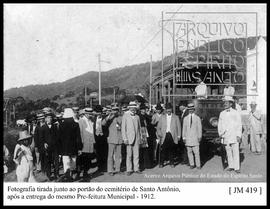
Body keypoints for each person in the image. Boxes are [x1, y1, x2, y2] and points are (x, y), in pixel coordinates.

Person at [218, 96, 242, 173]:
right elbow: (220, 124)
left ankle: (237, 168)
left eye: (226, 102)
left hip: (234, 135)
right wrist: (221, 133)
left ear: (231, 104)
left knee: (235, 151)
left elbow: (239, 124)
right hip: (226, 136)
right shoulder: (222, 113)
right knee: (228, 151)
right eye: (224, 102)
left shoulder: (236, 113)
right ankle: (231, 166)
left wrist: (238, 135)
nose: (225, 104)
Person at [59, 108, 82, 181]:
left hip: (64, 147)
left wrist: (59, 149)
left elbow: (59, 138)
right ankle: (72, 175)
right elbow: (78, 137)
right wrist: (79, 148)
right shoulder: (76, 124)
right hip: (74, 147)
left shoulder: (61, 125)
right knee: (73, 162)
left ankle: (67, 175)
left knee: (66, 162)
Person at [157, 103, 181, 168]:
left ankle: (172, 163)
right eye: (167, 109)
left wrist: (179, 136)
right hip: (164, 135)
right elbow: (158, 127)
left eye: (170, 109)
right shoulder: (162, 117)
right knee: (163, 150)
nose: (168, 110)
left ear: (171, 109)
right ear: (165, 110)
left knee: (172, 150)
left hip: (172, 135)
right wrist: (159, 134)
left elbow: (179, 127)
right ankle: (161, 163)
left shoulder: (176, 117)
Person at [121, 101, 142, 176]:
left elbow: (139, 128)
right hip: (129, 138)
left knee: (137, 154)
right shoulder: (125, 116)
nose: (133, 109)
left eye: (134, 108)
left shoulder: (137, 117)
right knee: (129, 155)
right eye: (131, 108)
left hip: (136, 138)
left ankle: (136, 168)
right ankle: (129, 169)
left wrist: (140, 138)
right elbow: (123, 128)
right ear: (129, 108)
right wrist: (125, 138)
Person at [40, 112, 60, 181]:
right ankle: (49, 175)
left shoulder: (55, 126)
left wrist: (57, 143)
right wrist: (44, 143)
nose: (50, 119)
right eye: (48, 117)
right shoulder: (43, 128)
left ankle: (56, 174)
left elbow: (58, 136)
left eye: (51, 117)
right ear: (45, 119)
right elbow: (41, 138)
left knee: (56, 161)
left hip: (55, 146)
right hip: (47, 147)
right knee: (48, 161)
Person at [104, 106, 123, 176]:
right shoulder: (109, 118)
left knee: (118, 156)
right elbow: (103, 123)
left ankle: (118, 169)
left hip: (119, 139)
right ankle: (110, 170)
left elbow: (123, 126)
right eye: (113, 110)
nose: (115, 112)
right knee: (110, 155)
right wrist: (109, 115)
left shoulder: (121, 117)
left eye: (116, 110)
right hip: (111, 139)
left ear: (118, 111)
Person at [182, 103, 202, 169]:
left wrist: (199, 136)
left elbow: (199, 128)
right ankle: (192, 164)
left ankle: (198, 165)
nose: (191, 110)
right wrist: (184, 137)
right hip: (188, 138)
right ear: (188, 110)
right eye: (189, 109)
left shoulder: (197, 118)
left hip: (195, 138)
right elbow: (184, 129)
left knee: (196, 152)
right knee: (189, 152)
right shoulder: (185, 118)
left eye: (192, 109)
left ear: (194, 110)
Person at [78, 108, 96, 180]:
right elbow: (80, 133)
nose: (89, 115)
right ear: (85, 114)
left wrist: (94, 142)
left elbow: (92, 132)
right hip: (84, 144)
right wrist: (81, 144)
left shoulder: (91, 121)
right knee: (84, 160)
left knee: (89, 160)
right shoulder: (81, 121)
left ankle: (86, 173)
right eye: (88, 114)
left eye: (90, 114)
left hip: (90, 143)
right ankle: (83, 174)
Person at [93, 105, 108, 173]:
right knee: (98, 153)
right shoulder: (93, 118)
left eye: (100, 112)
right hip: (96, 137)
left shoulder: (105, 118)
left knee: (104, 153)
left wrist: (106, 135)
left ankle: (104, 167)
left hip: (103, 137)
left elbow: (107, 127)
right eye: (97, 112)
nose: (99, 113)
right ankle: (99, 167)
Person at [138, 103, 151, 171]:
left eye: (145, 109)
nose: (145, 110)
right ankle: (141, 164)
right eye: (144, 109)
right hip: (141, 132)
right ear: (141, 110)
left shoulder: (146, 115)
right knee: (141, 148)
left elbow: (149, 122)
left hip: (146, 132)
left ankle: (146, 164)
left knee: (145, 148)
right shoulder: (139, 116)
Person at [178, 101, 189, 165]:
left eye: (180, 106)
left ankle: (187, 160)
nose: (179, 107)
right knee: (185, 147)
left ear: (183, 106)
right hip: (184, 132)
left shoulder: (187, 113)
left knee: (186, 147)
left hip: (186, 132)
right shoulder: (183, 112)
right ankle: (185, 160)